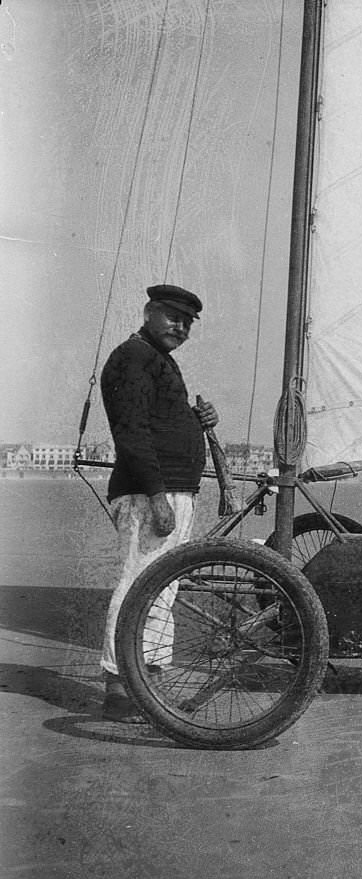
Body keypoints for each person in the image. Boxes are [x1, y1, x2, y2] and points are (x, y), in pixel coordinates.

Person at [98, 284, 218, 722]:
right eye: (171, 316)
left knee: (162, 589)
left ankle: (147, 679)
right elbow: (131, 433)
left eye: (187, 322)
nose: (180, 326)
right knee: (137, 585)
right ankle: (117, 686)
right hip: (152, 494)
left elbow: (159, 421)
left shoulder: (156, 360)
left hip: (171, 492)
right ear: (148, 312)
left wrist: (197, 420)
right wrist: (156, 496)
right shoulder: (133, 357)